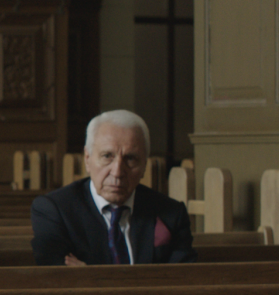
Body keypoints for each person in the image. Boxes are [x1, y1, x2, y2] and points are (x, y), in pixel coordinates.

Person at [29, 110, 196, 266]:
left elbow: (183, 279)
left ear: (145, 165)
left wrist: (92, 276)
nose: (117, 172)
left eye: (130, 159)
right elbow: (57, 279)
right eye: (107, 156)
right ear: (87, 159)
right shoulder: (54, 210)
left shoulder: (171, 214)